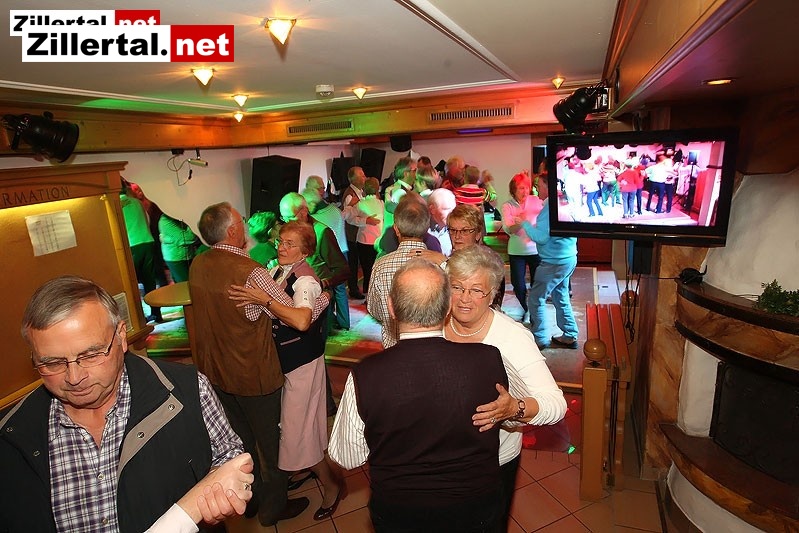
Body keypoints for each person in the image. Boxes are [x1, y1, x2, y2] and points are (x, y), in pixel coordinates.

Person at [0, 275, 251, 532]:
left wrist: (219, 496)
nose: (74, 378)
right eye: (52, 363)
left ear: (121, 337)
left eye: (91, 354)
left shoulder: (186, 391)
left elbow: (229, 456)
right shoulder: (9, 436)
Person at [329, 259, 508, 532]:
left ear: (391, 308)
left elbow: (346, 457)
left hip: (402, 512)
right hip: (476, 507)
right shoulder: (488, 359)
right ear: (447, 307)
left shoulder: (366, 374)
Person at [189, 201, 331, 526]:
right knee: (271, 445)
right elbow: (297, 316)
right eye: (240, 221)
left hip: (217, 371)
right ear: (232, 231)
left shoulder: (198, 263)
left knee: (242, 441)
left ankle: (250, 499)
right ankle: (273, 508)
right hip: (253, 372)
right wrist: (324, 297)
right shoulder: (250, 272)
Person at [443, 245, 567, 530]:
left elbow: (556, 404)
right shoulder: (435, 322)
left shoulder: (512, 337)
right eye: (457, 287)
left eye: (476, 290)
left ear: (493, 294)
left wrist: (514, 408)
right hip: (441, 458)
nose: (464, 298)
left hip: (491, 463)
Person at [228, 221, 344, 521]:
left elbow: (302, 320)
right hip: (291, 362)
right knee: (300, 427)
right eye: (281, 241)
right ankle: (308, 468)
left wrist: (264, 299)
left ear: (305, 252)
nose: (282, 247)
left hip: (302, 363)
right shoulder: (280, 270)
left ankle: (332, 484)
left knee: (296, 433)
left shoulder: (304, 280)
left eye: (290, 244)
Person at [521, 178, 579, 350]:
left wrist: (525, 224)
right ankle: (570, 334)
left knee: (535, 298)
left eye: (539, 185)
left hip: (554, 262)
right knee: (560, 295)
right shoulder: (563, 202)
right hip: (568, 258)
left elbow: (541, 237)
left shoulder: (550, 208)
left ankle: (539, 339)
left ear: (548, 186)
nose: (536, 189)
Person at [367, 194, 431, 348]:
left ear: (396, 229)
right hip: (429, 347)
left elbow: (374, 310)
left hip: (393, 347)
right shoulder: (437, 264)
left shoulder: (381, 265)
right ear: (427, 228)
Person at [303, 175, 351, 331]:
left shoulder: (316, 218)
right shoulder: (334, 209)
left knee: (328, 291)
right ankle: (344, 322)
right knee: (340, 290)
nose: (323, 190)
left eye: (323, 187)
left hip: (329, 255)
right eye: (321, 188)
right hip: (342, 250)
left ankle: (330, 325)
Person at [502, 172, 544, 320]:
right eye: (521, 188)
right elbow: (508, 229)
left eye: (527, 187)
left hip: (535, 249)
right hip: (516, 251)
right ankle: (526, 307)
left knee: (537, 283)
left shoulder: (536, 201)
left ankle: (534, 311)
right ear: (513, 190)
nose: (525, 191)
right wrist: (520, 222)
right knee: (518, 285)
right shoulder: (507, 206)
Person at [120, 181, 163, 323]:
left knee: (132, 283)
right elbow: (147, 220)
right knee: (149, 280)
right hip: (147, 241)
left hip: (132, 245)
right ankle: (156, 313)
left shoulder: (116, 205)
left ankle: (139, 318)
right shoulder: (136, 202)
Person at [344, 177, 383, 295]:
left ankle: (367, 293)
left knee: (367, 270)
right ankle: (373, 294)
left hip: (363, 241)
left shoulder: (361, 204)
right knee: (375, 270)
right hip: (378, 241)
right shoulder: (382, 204)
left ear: (364, 189)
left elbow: (348, 218)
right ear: (377, 189)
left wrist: (364, 221)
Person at [340, 166, 366, 299]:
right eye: (362, 175)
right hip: (352, 236)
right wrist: (366, 221)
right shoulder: (350, 195)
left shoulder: (361, 192)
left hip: (360, 234)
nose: (365, 177)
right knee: (353, 263)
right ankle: (353, 289)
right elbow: (347, 217)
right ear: (354, 179)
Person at [159, 213, 201, 282]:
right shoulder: (165, 220)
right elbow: (189, 238)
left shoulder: (179, 216)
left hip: (187, 255)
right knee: (185, 284)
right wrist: (192, 222)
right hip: (176, 258)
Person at [426, 188, 456, 257]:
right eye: (447, 209)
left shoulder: (457, 230)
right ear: (432, 209)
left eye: (453, 210)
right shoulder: (421, 229)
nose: (452, 214)